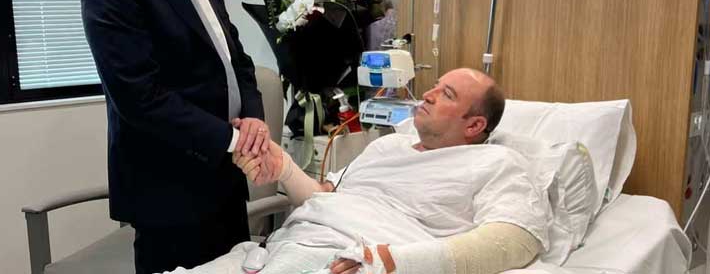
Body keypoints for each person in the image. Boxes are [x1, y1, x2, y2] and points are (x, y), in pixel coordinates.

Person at [80, 0, 270, 274]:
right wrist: (235, 140)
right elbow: (140, 98)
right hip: (170, 195)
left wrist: (254, 120)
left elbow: (237, 61)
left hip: (225, 181)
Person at [176, 68, 548, 274]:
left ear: (474, 125)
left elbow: (514, 240)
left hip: (351, 258)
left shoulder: (496, 163)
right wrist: (284, 168)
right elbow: (325, 199)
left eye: (447, 94)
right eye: (435, 86)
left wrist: (393, 262)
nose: (428, 94)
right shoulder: (388, 146)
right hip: (284, 245)